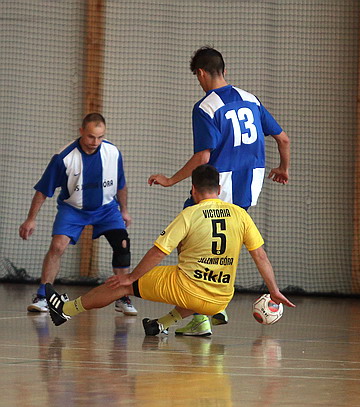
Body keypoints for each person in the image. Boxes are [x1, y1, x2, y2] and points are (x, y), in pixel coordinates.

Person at [45, 164, 295, 336]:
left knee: (120, 285)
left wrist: (131, 277)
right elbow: (260, 256)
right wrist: (274, 291)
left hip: (187, 289)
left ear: (193, 190)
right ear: (219, 190)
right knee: (195, 287)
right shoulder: (241, 215)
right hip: (220, 299)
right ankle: (160, 325)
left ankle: (64, 310)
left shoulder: (190, 214)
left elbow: (159, 252)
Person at [147, 46, 291, 335]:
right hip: (248, 188)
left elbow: (203, 156)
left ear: (200, 73)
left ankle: (207, 309)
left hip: (217, 185)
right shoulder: (251, 99)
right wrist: (283, 168)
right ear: (224, 70)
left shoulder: (205, 107)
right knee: (221, 246)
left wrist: (171, 180)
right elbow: (283, 139)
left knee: (188, 243)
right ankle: (207, 311)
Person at [19, 113, 137, 316]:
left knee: (122, 245)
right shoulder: (63, 157)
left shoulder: (113, 153)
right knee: (57, 246)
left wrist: (124, 210)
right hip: (73, 209)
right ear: (81, 131)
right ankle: (43, 296)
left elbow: (121, 184)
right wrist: (31, 219)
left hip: (107, 209)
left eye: (100, 137)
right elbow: (43, 190)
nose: (95, 142)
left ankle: (122, 296)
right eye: (91, 136)